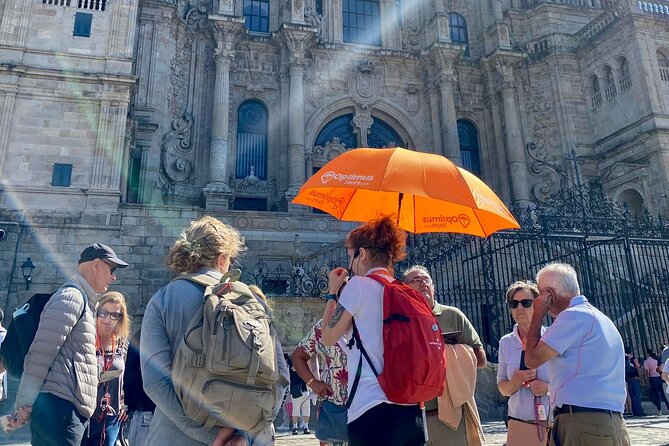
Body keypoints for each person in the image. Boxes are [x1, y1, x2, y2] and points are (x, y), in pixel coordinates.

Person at [140, 215, 288, 446]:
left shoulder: (164, 299)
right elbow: (280, 376)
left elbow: (155, 382)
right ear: (221, 258)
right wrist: (244, 434)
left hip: (174, 437)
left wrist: (211, 437)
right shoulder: (250, 300)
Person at [321, 216, 425, 446]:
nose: (350, 264)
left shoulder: (358, 286)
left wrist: (332, 292)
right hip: (411, 412)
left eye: (351, 256)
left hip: (371, 409)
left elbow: (327, 337)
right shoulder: (408, 293)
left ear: (363, 254)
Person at [14, 243, 128, 446]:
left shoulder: (81, 299)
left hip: (66, 410)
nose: (113, 277)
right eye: (112, 270)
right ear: (96, 265)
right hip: (59, 411)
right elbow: (41, 352)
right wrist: (24, 403)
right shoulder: (72, 297)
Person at [524, 263, 631, 446]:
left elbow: (532, 359)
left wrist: (537, 314)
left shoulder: (573, 317)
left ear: (549, 294)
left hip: (584, 422)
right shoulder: (599, 318)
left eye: (540, 293)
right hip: (607, 422)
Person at [402, 265, 485, 446]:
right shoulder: (399, 320)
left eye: (426, 280)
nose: (423, 283)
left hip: (449, 417)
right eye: (416, 280)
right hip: (411, 417)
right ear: (405, 289)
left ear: (433, 287)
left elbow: (480, 359)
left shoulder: (453, 315)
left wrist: (447, 352)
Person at [496, 281, 550, 446]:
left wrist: (547, 388)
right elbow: (502, 388)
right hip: (520, 421)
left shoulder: (552, 338)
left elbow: (569, 380)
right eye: (514, 303)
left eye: (526, 303)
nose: (519, 308)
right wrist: (515, 381)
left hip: (554, 421)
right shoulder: (506, 343)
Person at [83, 291, 131, 446]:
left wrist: (125, 404)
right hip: (84, 414)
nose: (107, 319)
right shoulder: (85, 340)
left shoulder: (122, 344)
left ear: (120, 318)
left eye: (114, 315)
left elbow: (128, 379)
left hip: (111, 417)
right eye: (103, 313)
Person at [292, 319, 348, 446]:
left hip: (368, 408)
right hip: (333, 410)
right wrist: (313, 382)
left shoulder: (373, 319)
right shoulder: (324, 327)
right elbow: (298, 356)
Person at [123, 329, 155, 446]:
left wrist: (128, 404)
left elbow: (130, 377)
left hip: (145, 410)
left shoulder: (144, 334)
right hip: (162, 412)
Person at [287, 355, 311, 435]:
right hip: (296, 388)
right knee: (296, 409)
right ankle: (295, 427)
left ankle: (306, 426)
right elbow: (293, 368)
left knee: (306, 409)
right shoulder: (291, 360)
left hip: (305, 387)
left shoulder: (305, 361)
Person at [643, 348, 669, 415]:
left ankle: (659, 409)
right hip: (659, 377)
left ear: (648, 354)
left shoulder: (646, 361)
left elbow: (647, 372)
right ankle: (668, 407)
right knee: (663, 394)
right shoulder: (656, 359)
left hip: (652, 378)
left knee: (657, 394)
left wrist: (647, 380)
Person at [625, 346, 645, 416]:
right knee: (637, 395)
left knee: (631, 395)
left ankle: (634, 410)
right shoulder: (634, 358)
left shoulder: (624, 359)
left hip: (628, 379)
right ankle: (639, 410)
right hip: (635, 378)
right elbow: (638, 368)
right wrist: (641, 378)